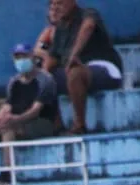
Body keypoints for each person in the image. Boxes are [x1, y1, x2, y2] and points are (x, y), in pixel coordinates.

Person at [0, 42, 60, 185]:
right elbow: (7, 105)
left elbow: (35, 111)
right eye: (17, 57)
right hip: (17, 122)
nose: (21, 60)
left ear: (32, 57)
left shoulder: (45, 80)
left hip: (41, 123)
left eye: (24, 56)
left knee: (9, 127)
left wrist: (14, 120)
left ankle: (7, 171)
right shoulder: (14, 81)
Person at [34, 0, 124, 135]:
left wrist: (74, 55)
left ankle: (80, 125)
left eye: (60, 3)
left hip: (105, 68)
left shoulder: (88, 13)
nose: (57, 7)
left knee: (75, 73)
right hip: (72, 72)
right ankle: (58, 127)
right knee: (44, 79)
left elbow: (88, 27)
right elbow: (53, 58)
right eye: (54, 4)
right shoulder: (59, 30)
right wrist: (44, 74)